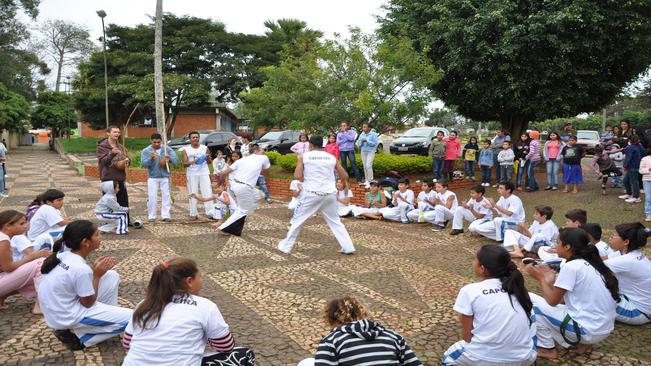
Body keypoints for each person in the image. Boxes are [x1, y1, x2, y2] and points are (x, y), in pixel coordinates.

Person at [526, 228, 619, 359]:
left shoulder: (572, 266)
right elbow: (564, 300)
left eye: (557, 243)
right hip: (602, 328)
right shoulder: (591, 264)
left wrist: (541, 278)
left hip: (588, 330)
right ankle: (583, 343)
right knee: (529, 296)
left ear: (567, 247)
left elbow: (552, 302)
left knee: (531, 307)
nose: (555, 246)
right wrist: (549, 278)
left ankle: (547, 349)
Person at [122, 258, 236, 365]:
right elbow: (226, 346)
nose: (201, 281)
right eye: (200, 277)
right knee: (243, 354)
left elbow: (127, 343)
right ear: (189, 281)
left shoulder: (144, 304)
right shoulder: (205, 306)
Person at [38, 220, 133, 349]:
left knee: (111, 276)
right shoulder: (80, 269)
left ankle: (104, 321)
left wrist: (96, 273)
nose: (101, 237)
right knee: (135, 319)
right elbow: (88, 303)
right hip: (67, 316)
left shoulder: (64, 255)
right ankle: (81, 338)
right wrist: (97, 276)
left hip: (57, 309)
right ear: (85, 242)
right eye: (97, 235)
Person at [441, 245, 536, 366]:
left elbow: (467, 337)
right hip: (524, 357)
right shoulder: (518, 288)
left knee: (448, 358)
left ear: (482, 269)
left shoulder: (470, 291)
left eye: (474, 259)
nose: (472, 261)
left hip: (482, 358)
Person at [278, 136, 356, 254]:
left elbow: (297, 176)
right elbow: (345, 176)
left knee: (297, 220)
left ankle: (286, 247)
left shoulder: (303, 156)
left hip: (311, 194)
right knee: (335, 221)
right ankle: (348, 247)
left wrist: (305, 176)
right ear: (322, 145)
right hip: (330, 194)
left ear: (311, 145)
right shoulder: (331, 157)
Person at [300, 296, 422, 366]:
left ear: (332, 320)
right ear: (362, 314)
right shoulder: (393, 336)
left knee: (307, 363)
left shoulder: (331, 341)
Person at [0, 210, 49, 313]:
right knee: (41, 263)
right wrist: (32, 257)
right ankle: (40, 307)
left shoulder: (4, 238)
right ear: (8, 226)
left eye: (26, 222)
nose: (26, 225)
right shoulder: (3, 240)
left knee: (32, 276)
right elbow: (8, 268)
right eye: (22, 223)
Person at [218, 144, 270, 236]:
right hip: (244, 187)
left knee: (259, 196)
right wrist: (263, 176)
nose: (264, 152)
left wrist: (220, 184)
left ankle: (244, 216)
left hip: (237, 184)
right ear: (256, 151)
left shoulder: (242, 160)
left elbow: (223, 173)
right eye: (262, 150)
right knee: (242, 210)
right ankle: (223, 228)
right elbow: (266, 172)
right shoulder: (263, 157)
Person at [606, 223, 651, 325]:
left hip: (638, 312)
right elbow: (604, 259)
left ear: (626, 242)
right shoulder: (634, 254)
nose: (611, 237)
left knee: (591, 294)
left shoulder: (627, 260)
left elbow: (589, 270)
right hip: (640, 304)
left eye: (614, 235)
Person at [96, 125, 131, 224]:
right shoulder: (102, 147)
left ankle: (126, 221)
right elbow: (102, 162)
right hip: (108, 178)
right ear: (108, 133)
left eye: (118, 132)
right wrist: (112, 153)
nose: (117, 134)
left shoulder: (121, 147)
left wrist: (128, 161)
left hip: (120, 177)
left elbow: (127, 159)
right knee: (107, 201)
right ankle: (108, 221)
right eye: (115, 132)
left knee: (123, 199)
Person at [141, 133, 178, 222]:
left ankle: (165, 215)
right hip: (153, 177)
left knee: (166, 196)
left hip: (165, 176)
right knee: (152, 196)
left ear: (161, 141)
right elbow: (143, 164)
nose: (157, 144)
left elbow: (176, 160)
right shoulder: (146, 151)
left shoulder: (167, 149)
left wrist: (170, 158)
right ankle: (152, 216)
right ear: (151, 141)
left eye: (158, 142)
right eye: (154, 142)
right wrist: (150, 159)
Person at [182, 131, 213, 220]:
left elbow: (209, 162)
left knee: (207, 192)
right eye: (193, 137)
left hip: (204, 172)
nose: (195, 139)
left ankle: (210, 212)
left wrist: (208, 159)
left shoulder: (205, 148)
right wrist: (194, 161)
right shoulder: (186, 150)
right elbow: (184, 164)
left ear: (199, 138)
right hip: (192, 174)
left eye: (197, 137)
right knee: (193, 193)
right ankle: (193, 213)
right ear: (190, 139)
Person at [620, 134, 645, 203]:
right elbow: (644, 153)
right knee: (626, 180)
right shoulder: (639, 146)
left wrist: (624, 165)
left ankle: (636, 197)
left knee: (634, 182)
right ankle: (629, 194)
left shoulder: (630, 147)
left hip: (632, 167)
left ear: (630, 140)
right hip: (636, 166)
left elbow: (628, 157)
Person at [356, 123, 379, 187]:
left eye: (365, 127)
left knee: (368, 165)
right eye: (363, 127)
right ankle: (366, 181)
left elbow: (374, 143)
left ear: (369, 128)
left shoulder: (373, 134)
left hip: (370, 152)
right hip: (363, 152)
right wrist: (361, 142)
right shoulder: (362, 134)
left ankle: (370, 181)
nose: (363, 128)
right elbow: (358, 144)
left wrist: (367, 140)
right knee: (364, 166)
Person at [640, 151, 651, 221]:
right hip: (647, 180)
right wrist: (648, 169)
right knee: (648, 198)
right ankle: (648, 214)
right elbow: (640, 171)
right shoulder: (644, 159)